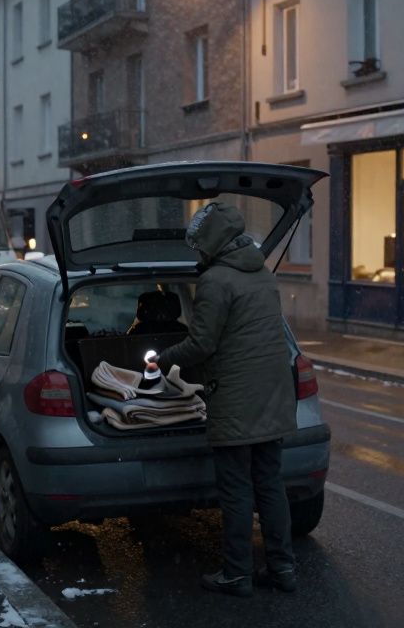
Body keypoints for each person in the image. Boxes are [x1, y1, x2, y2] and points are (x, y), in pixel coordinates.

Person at [155, 202, 297, 598]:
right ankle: (283, 567)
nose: (198, 253)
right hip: (273, 394)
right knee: (270, 484)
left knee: (236, 489)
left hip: (237, 400)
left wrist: (163, 360)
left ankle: (237, 574)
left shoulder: (217, 281)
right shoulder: (263, 275)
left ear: (212, 242)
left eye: (200, 245)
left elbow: (202, 343)